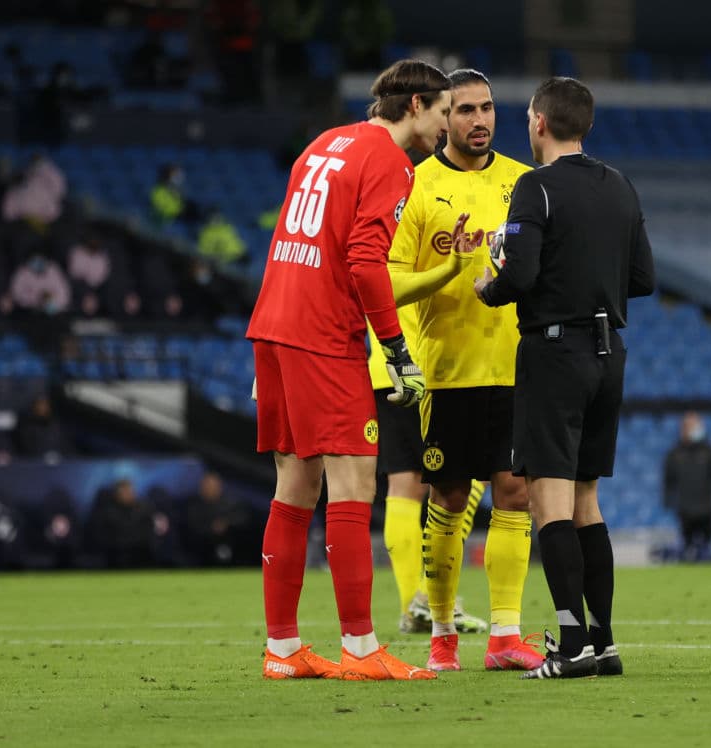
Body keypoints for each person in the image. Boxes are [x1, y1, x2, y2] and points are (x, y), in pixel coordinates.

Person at [245, 59, 460, 682]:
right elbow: (366, 263)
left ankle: (283, 651)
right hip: (321, 333)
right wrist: (394, 349)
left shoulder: (323, 144)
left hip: (275, 324)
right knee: (354, 480)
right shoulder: (390, 163)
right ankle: (361, 648)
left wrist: (273, 345)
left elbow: (291, 236)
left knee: (295, 485)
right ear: (416, 105)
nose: (448, 127)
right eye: (445, 112)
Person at [474, 76, 655, 679]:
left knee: (547, 500)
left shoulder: (535, 187)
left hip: (555, 353)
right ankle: (603, 643)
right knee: (587, 502)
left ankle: (571, 643)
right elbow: (644, 278)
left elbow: (519, 277)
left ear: (540, 123)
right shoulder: (622, 186)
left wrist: (488, 286)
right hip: (611, 356)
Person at [387, 69, 543, 673]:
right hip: (448, 371)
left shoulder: (524, 183)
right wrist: (445, 274)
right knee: (449, 498)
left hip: (513, 367)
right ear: (442, 116)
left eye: (487, 109)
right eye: (465, 110)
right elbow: (390, 277)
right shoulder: (417, 184)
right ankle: (444, 633)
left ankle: (505, 636)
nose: (479, 120)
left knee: (515, 492)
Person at [367, 310, 487, 635]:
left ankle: (413, 606)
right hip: (430, 364)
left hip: (386, 366)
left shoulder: (374, 255)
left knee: (403, 486)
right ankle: (429, 599)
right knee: (470, 474)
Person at [663, 412, 711, 561]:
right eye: (692, 426)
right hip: (685, 508)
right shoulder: (674, 454)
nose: (697, 428)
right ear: (683, 429)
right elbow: (668, 480)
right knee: (687, 548)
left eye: (698, 425)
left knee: (708, 547)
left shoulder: (710, 451)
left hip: (707, 507)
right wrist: (668, 500)